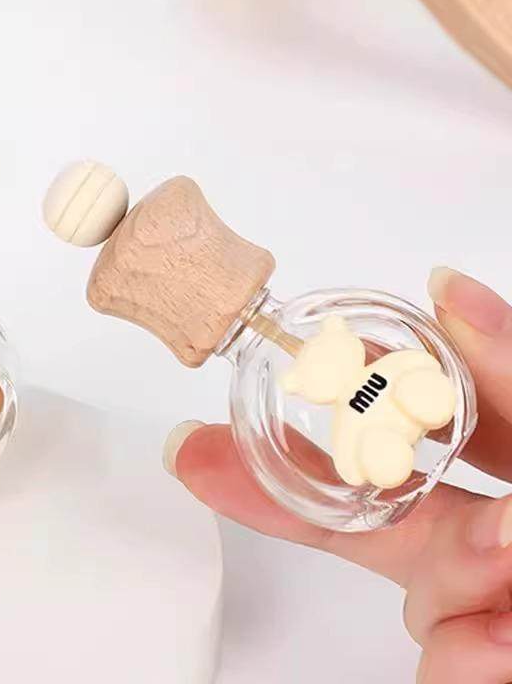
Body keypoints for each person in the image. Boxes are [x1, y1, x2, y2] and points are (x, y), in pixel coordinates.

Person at [163, 268, 512, 683]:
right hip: (381, 436)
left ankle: (420, 411)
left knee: (423, 395)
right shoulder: (329, 418)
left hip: (415, 393)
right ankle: (395, 440)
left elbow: (415, 363)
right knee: (379, 453)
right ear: (301, 386)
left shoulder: (375, 355)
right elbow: (349, 464)